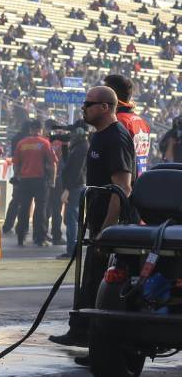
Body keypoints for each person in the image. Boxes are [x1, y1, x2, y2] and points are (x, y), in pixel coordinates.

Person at [49, 86, 135, 355]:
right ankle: (81, 333)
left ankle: (101, 347)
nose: (84, 107)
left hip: (111, 225)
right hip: (97, 219)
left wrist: (108, 229)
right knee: (90, 281)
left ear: (105, 108)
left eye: (89, 103)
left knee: (103, 286)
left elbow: (123, 187)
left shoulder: (116, 137)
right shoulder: (99, 137)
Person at [6, 118, 57, 246]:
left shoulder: (22, 143)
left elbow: (16, 164)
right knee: (40, 210)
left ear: (30, 129)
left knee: (24, 209)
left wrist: (17, 177)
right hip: (40, 181)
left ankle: (21, 236)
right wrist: (52, 181)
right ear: (40, 130)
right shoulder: (45, 143)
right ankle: (39, 238)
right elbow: (52, 164)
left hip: (24, 181)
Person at [103, 73, 151, 176]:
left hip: (121, 188)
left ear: (112, 96)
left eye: (103, 93)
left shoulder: (118, 121)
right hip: (139, 184)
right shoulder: (142, 122)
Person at [58, 122, 89, 260]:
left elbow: (76, 170)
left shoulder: (82, 147)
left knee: (72, 221)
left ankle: (72, 251)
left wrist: (68, 189)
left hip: (75, 187)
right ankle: (72, 250)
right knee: (70, 220)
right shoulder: (79, 147)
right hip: (75, 186)